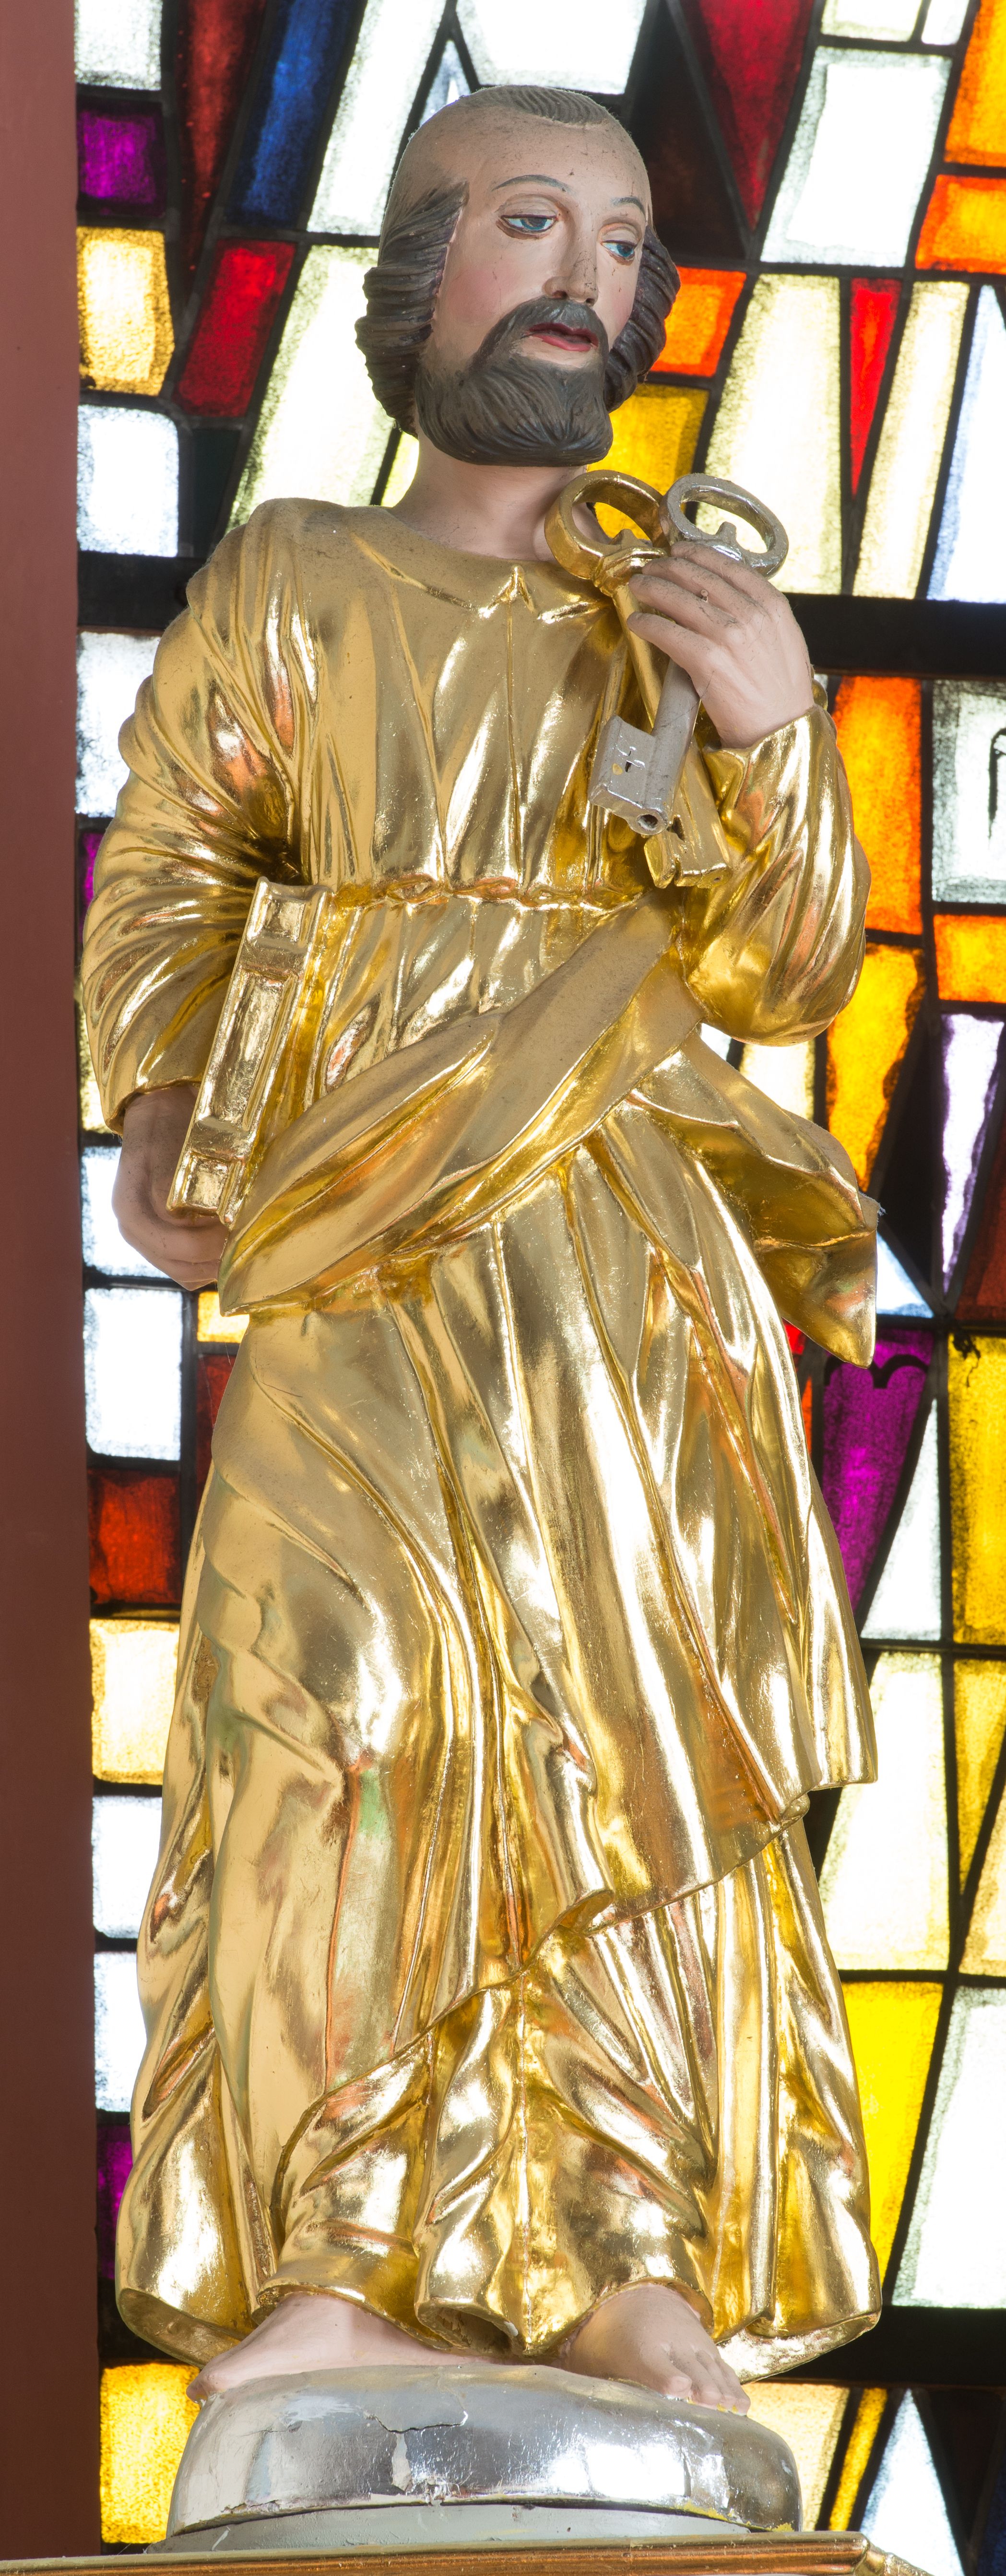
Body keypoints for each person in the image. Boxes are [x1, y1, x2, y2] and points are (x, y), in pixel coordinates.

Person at [83, 81, 880, 2423]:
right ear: (420, 282)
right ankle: (335, 2247)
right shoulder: (295, 578)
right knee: (328, 1701)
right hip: (347, 1220)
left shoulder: (676, 613)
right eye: (529, 226)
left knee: (608, 1723)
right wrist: (156, 1093)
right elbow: (174, 858)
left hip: (615, 1247)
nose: (583, 284)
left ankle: (625, 2243)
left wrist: (771, 730)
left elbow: (782, 966)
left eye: (621, 246)